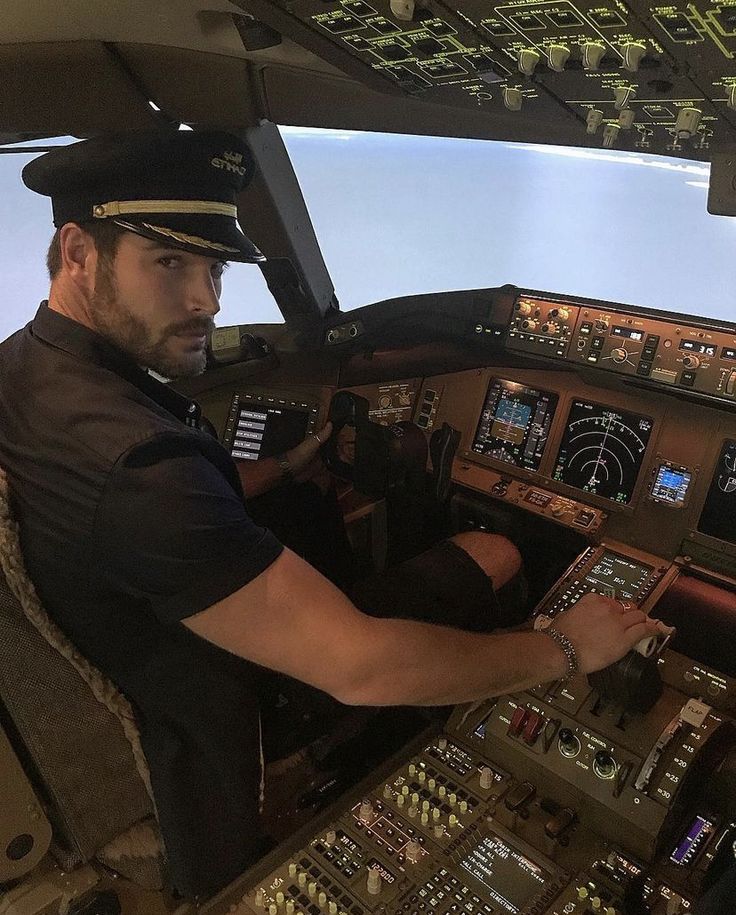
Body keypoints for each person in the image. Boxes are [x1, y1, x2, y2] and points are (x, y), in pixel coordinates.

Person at [0, 129, 662, 899]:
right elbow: (360, 665)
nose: (205, 303)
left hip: (143, 648)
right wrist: (564, 650)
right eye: (169, 263)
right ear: (77, 252)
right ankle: (447, 731)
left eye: (213, 268)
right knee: (492, 551)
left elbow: (140, 510)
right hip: (227, 711)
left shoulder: (30, 373)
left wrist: (281, 469)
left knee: (310, 498)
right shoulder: (141, 473)